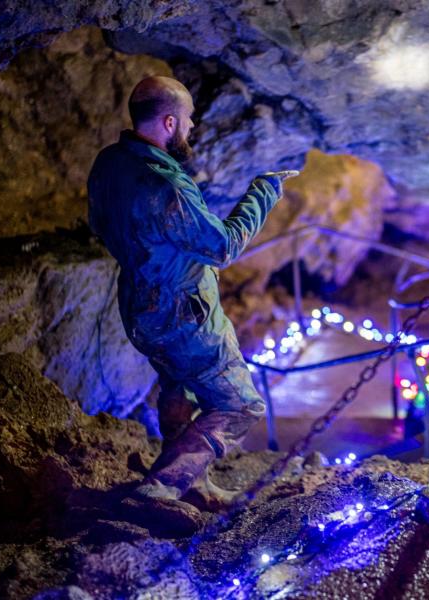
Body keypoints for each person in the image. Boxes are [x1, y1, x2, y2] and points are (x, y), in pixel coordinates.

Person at [87, 76, 298, 514]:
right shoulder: (167, 187)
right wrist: (264, 191)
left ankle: (190, 484)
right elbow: (221, 246)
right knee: (241, 404)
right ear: (168, 121)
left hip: (140, 306)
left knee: (177, 389)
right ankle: (161, 490)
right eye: (187, 120)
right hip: (184, 316)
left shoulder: (108, 164)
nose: (191, 128)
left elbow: (102, 225)